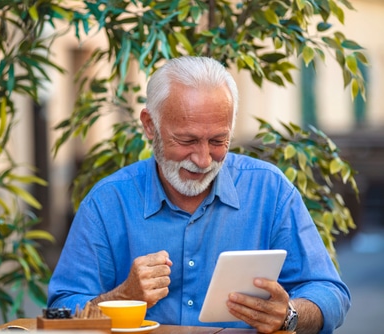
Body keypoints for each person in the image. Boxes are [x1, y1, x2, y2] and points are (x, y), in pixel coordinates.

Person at [47, 56, 350, 333]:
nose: (204, 159)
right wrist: (121, 298)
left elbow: (330, 293)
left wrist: (290, 314)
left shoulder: (269, 190)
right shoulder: (107, 203)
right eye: (187, 139)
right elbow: (59, 311)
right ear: (150, 126)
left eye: (218, 140)